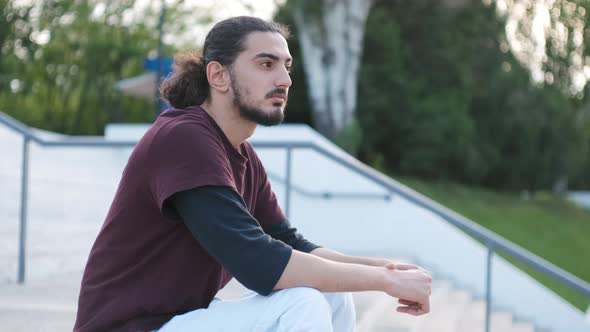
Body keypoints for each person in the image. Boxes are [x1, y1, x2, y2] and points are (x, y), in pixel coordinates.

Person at [73, 16, 432, 332]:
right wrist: (384, 281)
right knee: (301, 304)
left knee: (333, 294)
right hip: (132, 327)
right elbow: (259, 263)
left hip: (179, 320)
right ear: (218, 75)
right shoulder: (183, 139)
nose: (285, 79)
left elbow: (290, 244)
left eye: (286, 66)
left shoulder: (240, 153)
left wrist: (389, 270)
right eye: (266, 64)